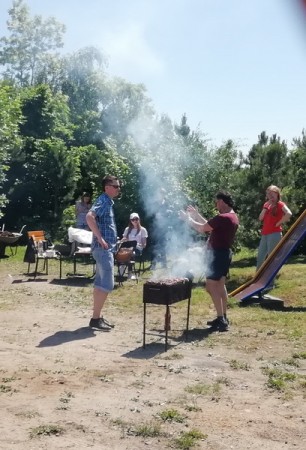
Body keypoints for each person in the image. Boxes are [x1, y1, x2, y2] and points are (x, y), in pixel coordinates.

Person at [180, 191, 239, 332]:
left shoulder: (222, 217)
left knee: (211, 287)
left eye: (217, 202)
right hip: (225, 254)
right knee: (220, 285)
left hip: (216, 255)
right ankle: (223, 316)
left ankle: (221, 319)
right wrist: (196, 215)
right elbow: (210, 226)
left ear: (223, 202)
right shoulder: (232, 216)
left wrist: (187, 219)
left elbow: (202, 228)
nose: (216, 205)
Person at [86, 175, 121, 331]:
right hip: (103, 249)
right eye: (116, 186)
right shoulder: (104, 200)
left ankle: (96, 318)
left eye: (119, 186)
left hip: (104, 249)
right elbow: (89, 217)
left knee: (100, 284)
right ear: (107, 187)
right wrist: (100, 238)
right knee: (107, 284)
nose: (118, 189)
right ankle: (95, 318)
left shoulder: (107, 202)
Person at [256, 185, 292, 272]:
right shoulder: (266, 204)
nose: (270, 196)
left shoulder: (280, 204)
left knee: (271, 258)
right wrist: (265, 208)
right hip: (265, 234)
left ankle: (270, 282)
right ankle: (257, 279)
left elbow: (289, 213)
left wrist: (278, 223)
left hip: (274, 234)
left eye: (272, 194)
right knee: (260, 256)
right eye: (268, 194)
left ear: (277, 194)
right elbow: (260, 218)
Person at [121, 212, 148, 279]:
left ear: (139, 219)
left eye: (136, 219)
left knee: (131, 252)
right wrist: (123, 240)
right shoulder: (127, 229)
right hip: (128, 248)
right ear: (131, 221)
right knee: (122, 251)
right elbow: (123, 240)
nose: (135, 221)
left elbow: (144, 244)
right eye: (133, 219)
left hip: (138, 249)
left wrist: (138, 244)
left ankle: (130, 273)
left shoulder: (143, 230)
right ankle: (122, 268)